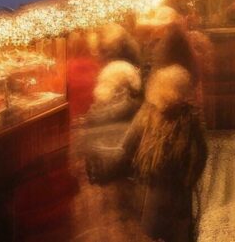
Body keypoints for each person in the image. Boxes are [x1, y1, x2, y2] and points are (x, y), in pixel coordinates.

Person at [118, 66, 208, 242]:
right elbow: (200, 155)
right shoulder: (190, 118)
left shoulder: (147, 114)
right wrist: (188, 180)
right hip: (180, 196)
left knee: (156, 233)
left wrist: (141, 167)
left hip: (153, 193)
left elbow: (127, 146)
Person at [76, 61, 144, 241]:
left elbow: (87, 145)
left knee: (109, 225)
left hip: (102, 178)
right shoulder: (136, 109)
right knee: (128, 223)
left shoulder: (95, 110)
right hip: (127, 175)